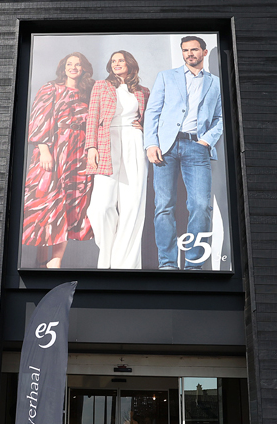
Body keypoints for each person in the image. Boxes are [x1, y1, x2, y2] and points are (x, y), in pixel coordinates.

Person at [144, 36, 223, 269]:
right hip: (165, 148)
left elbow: (220, 117)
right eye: (185, 50)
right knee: (164, 206)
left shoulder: (215, 83)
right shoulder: (166, 77)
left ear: (204, 52)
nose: (189, 54)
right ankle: (167, 263)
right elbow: (153, 111)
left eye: (194, 49)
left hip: (197, 147)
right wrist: (151, 143)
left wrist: (207, 141)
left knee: (200, 205)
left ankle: (193, 264)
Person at [22, 52, 95, 268]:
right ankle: (41, 258)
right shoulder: (51, 88)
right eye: (69, 64)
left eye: (78, 64)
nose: (73, 67)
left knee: (70, 202)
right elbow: (39, 119)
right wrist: (44, 149)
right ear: (63, 67)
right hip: (54, 148)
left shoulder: (87, 92)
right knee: (47, 201)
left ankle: (56, 260)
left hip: (78, 152)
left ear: (84, 68)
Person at [84, 50, 150, 269]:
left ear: (130, 64)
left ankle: (126, 264)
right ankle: (107, 255)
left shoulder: (142, 91)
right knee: (100, 207)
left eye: (121, 60)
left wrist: (144, 127)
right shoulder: (101, 86)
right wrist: (91, 147)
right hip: (106, 142)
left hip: (134, 142)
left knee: (133, 205)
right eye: (113, 61)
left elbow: (152, 118)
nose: (116, 64)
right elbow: (92, 118)